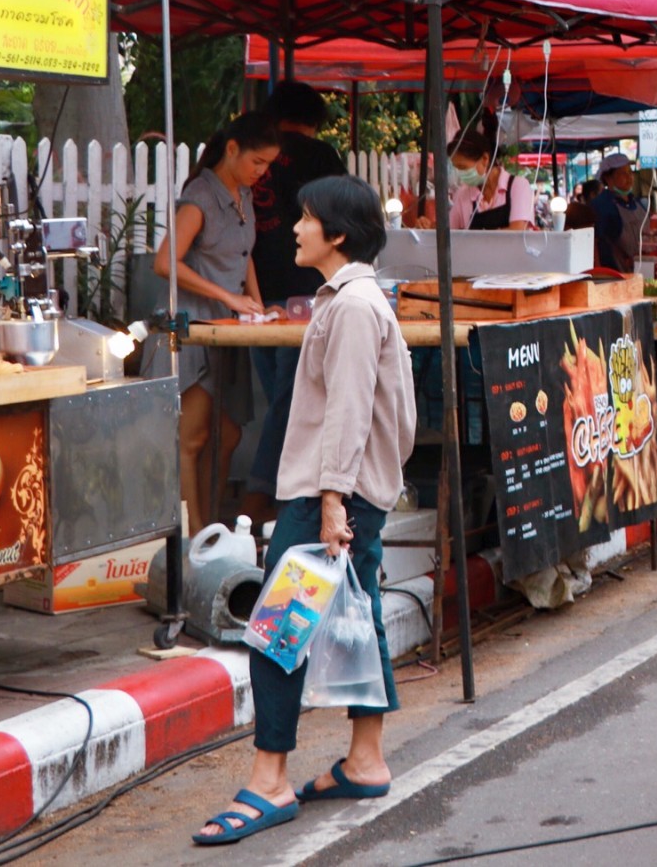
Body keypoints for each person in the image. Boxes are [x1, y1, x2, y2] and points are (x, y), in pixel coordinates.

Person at [193, 176, 415, 844]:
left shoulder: (351, 306)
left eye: (305, 216)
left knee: (277, 627)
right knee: (358, 619)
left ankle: (270, 779)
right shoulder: (357, 298)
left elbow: (348, 408)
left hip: (332, 491)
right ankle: (366, 758)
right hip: (356, 490)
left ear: (336, 233)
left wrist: (330, 500)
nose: (293, 226)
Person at [153, 112, 281, 535]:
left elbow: (245, 260)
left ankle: (211, 528)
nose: (262, 173)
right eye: (257, 163)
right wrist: (228, 297)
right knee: (190, 439)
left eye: (268, 166)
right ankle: (193, 537)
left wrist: (258, 308)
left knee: (226, 437)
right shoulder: (201, 195)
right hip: (195, 332)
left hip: (229, 333)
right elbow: (164, 261)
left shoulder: (243, 195)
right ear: (232, 150)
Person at [245, 81, 347, 522]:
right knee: (292, 401)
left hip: (252, 288)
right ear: (313, 119)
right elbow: (341, 214)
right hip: (304, 291)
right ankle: (264, 498)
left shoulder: (256, 153)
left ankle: (275, 500)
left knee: (280, 399)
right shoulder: (320, 156)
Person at [438, 120, 533, 231]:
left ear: (485, 159)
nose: (460, 173)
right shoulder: (462, 195)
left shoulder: (518, 186)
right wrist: (429, 226)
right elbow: (448, 233)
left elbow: (517, 231)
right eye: (457, 168)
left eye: (463, 167)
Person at [591, 152, 649, 272]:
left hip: (643, 271)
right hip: (616, 276)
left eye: (630, 172)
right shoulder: (601, 205)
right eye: (623, 173)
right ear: (608, 178)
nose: (629, 177)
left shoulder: (637, 202)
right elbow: (594, 242)